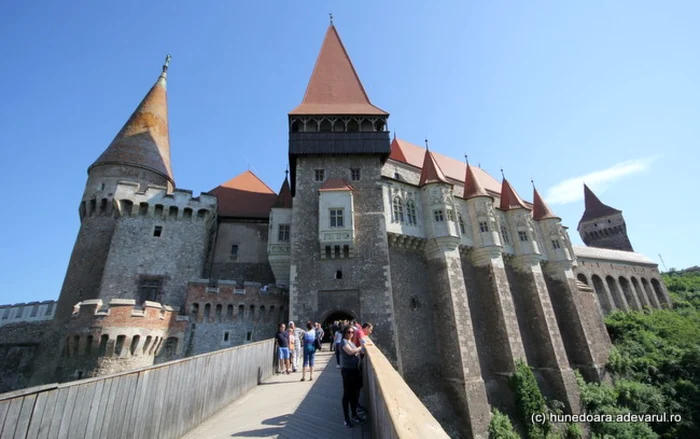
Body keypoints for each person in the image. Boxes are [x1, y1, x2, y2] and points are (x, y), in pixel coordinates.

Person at [340, 325, 365, 427]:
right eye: (348, 332)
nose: (350, 334)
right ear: (344, 333)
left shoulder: (351, 342)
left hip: (355, 370)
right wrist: (361, 347)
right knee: (347, 394)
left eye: (352, 332)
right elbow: (350, 352)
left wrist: (361, 351)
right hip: (347, 371)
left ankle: (354, 415)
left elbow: (357, 352)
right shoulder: (343, 342)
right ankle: (346, 418)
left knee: (355, 394)